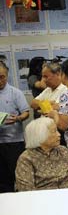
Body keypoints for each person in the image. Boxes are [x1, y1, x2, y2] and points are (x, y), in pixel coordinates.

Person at [0, 62, 30, 193]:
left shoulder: (15, 93)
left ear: (7, 76)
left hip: (14, 142)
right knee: (2, 179)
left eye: (2, 77)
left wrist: (17, 118)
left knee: (17, 176)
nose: (0, 80)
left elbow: (26, 113)